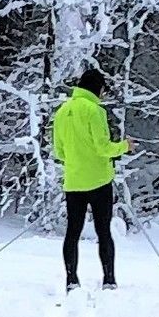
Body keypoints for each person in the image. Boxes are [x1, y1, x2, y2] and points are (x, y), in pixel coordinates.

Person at [49, 65, 128, 288]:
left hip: (73, 181)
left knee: (72, 232)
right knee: (103, 231)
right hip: (99, 180)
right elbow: (103, 148)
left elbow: (59, 151)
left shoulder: (63, 111)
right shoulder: (95, 111)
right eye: (103, 91)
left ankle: (71, 279)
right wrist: (124, 146)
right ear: (98, 89)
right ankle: (109, 279)